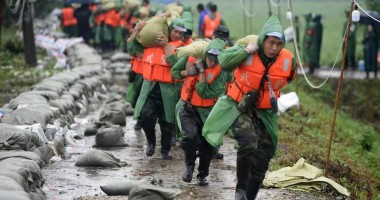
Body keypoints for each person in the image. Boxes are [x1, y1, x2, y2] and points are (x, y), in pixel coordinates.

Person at [202, 15, 297, 199]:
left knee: (264, 156)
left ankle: (250, 196)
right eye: (271, 42)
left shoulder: (287, 59)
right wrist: (246, 50)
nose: (274, 48)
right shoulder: (249, 48)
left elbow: (290, 76)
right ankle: (240, 190)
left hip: (265, 112)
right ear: (263, 40)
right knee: (248, 143)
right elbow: (224, 61)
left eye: (279, 43)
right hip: (239, 106)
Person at [171, 38, 228, 186]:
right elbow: (175, 71)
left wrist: (202, 71)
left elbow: (205, 93)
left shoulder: (222, 72)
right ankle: (189, 166)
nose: (213, 63)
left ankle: (203, 174)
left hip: (210, 111)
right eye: (210, 59)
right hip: (188, 108)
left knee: (208, 145)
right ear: (205, 54)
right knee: (189, 137)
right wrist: (188, 72)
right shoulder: (190, 58)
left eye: (216, 60)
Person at [134, 17, 187, 160]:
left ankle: (165, 150)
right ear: (170, 30)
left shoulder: (180, 47)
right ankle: (151, 142)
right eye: (175, 31)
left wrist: (166, 46)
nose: (177, 35)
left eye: (180, 33)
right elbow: (132, 48)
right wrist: (137, 29)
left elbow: (176, 65)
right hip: (150, 88)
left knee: (167, 121)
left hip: (168, 90)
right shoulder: (151, 43)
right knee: (145, 116)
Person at [126, 22, 145, 131]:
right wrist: (136, 30)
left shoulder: (149, 43)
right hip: (137, 73)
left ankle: (140, 121)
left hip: (147, 75)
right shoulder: (132, 42)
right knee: (135, 98)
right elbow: (131, 48)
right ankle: (139, 118)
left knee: (144, 99)